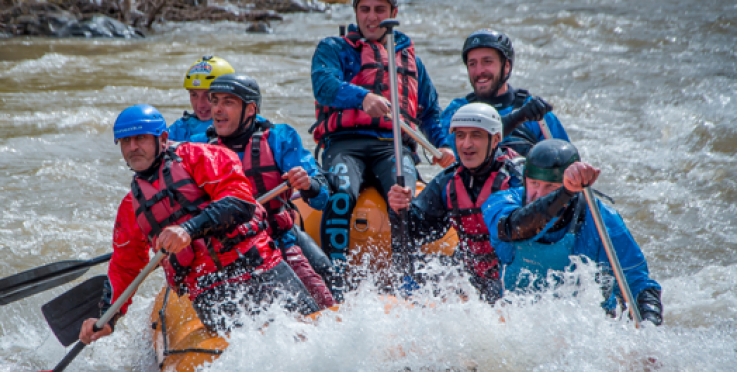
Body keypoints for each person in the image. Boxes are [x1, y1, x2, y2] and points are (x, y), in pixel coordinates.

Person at [79, 104, 320, 344]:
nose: (133, 148)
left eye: (140, 139)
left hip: (258, 270)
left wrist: (188, 229)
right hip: (209, 292)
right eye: (125, 141)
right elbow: (125, 266)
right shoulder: (131, 205)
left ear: (162, 138)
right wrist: (106, 318)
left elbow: (239, 202)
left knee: (307, 338)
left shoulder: (200, 157)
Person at [310, 0, 450, 302]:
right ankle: (336, 282)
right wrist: (362, 98)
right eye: (365, 10)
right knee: (341, 193)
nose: (372, 17)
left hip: (393, 148)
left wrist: (442, 145)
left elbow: (429, 113)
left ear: (393, 14)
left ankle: (405, 279)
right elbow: (324, 85)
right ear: (356, 12)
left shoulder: (411, 60)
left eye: (379, 10)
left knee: (403, 199)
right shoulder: (334, 48)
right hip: (345, 144)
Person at [482, 139, 663, 325]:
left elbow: (637, 284)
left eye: (551, 187)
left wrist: (649, 328)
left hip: (581, 328)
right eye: (534, 183)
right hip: (520, 322)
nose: (539, 194)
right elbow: (515, 228)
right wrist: (563, 193)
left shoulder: (601, 219)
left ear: (574, 188)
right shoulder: (501, 202)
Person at [206, 73, 336, 308]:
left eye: (228, 102)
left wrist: (307, 184)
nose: (217, 109)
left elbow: (320, 198)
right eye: (214, 101)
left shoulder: (280, 138)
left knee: (330, 277)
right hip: (230, 249)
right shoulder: (199, 148)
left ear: (250, 109)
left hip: (279, 236)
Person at [387, 103, 523, 303]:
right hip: (470, 272)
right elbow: (415, 232)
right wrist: (400, 209)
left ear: (495, 140)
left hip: (509, 275)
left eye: (476, 135)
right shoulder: (448, 182)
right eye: (460, 136)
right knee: (428, 269)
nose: (466, 145)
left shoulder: (516, 178)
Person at [438, 29, 569, 156]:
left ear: (506, 66)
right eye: (472, 64)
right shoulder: (457, 111)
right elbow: (451, 151)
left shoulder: (535, 112)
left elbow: (565, 160)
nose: (479, 71)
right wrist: (517, 118)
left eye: (487, 62)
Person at [168, 55, 235, 143]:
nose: (200, 105)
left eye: (207, 95)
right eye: (194, 95)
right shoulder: (179, 129)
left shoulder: (248, 126)